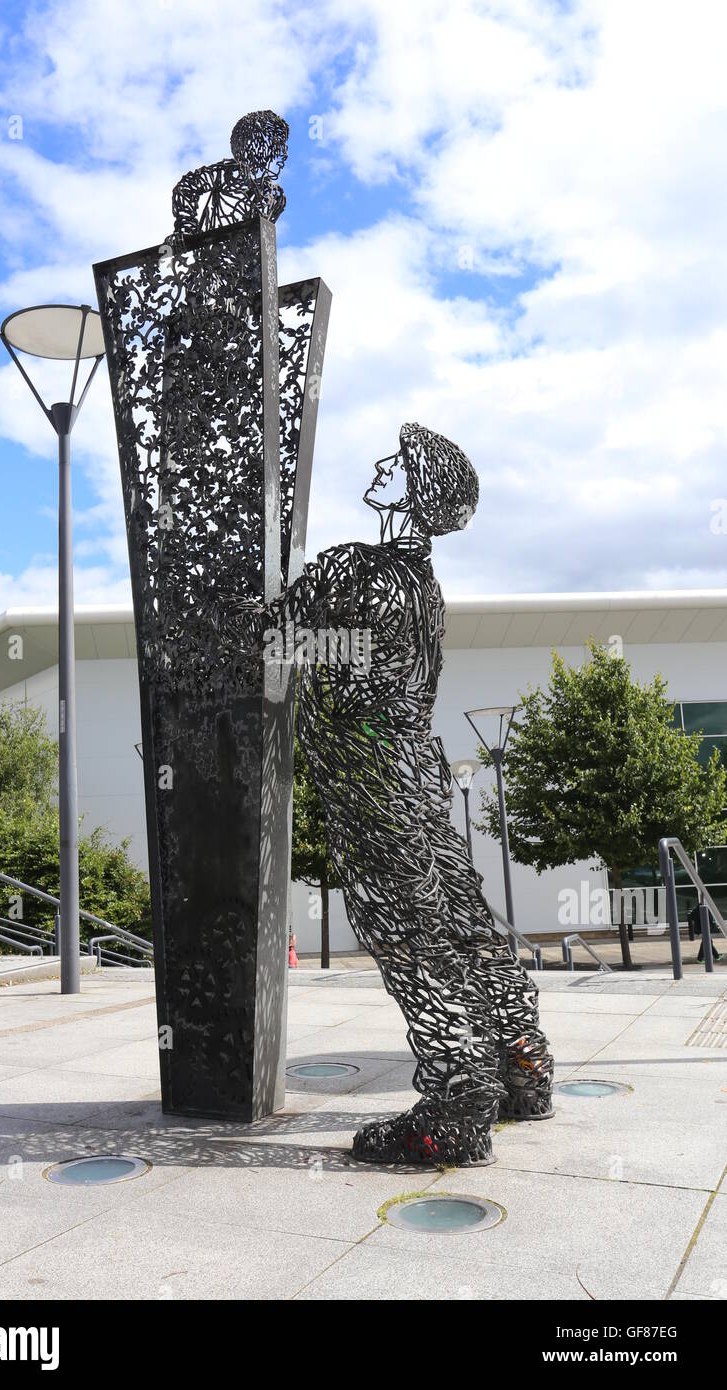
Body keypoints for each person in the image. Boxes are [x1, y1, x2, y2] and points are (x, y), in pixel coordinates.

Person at [268, 424, 554, 1166]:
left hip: (369, 774)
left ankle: (455, 1107)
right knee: (461, 918)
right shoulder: (424, 586)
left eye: (394, 463)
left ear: (415, 493)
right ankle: (521, 1063)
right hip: (415, 770)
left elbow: (277, 646)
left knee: (407, 934)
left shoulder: (353, 568)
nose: (378, 464)